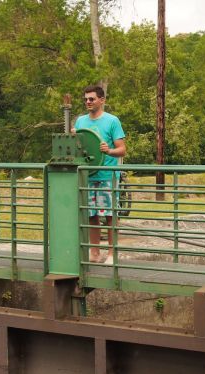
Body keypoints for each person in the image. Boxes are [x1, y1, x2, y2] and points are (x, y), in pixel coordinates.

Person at [74, 85, 126, 265]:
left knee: (110, 215)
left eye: (92, 99)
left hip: (107, 176)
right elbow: (77, 149)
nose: (88, 102)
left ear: (102, 100)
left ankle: (112, 254)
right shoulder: (80, 122)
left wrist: (109, 150)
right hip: (87, 176)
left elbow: (122, 150)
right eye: (86, 99)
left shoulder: (112, 121)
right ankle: (94, 252)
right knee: (91, 215)